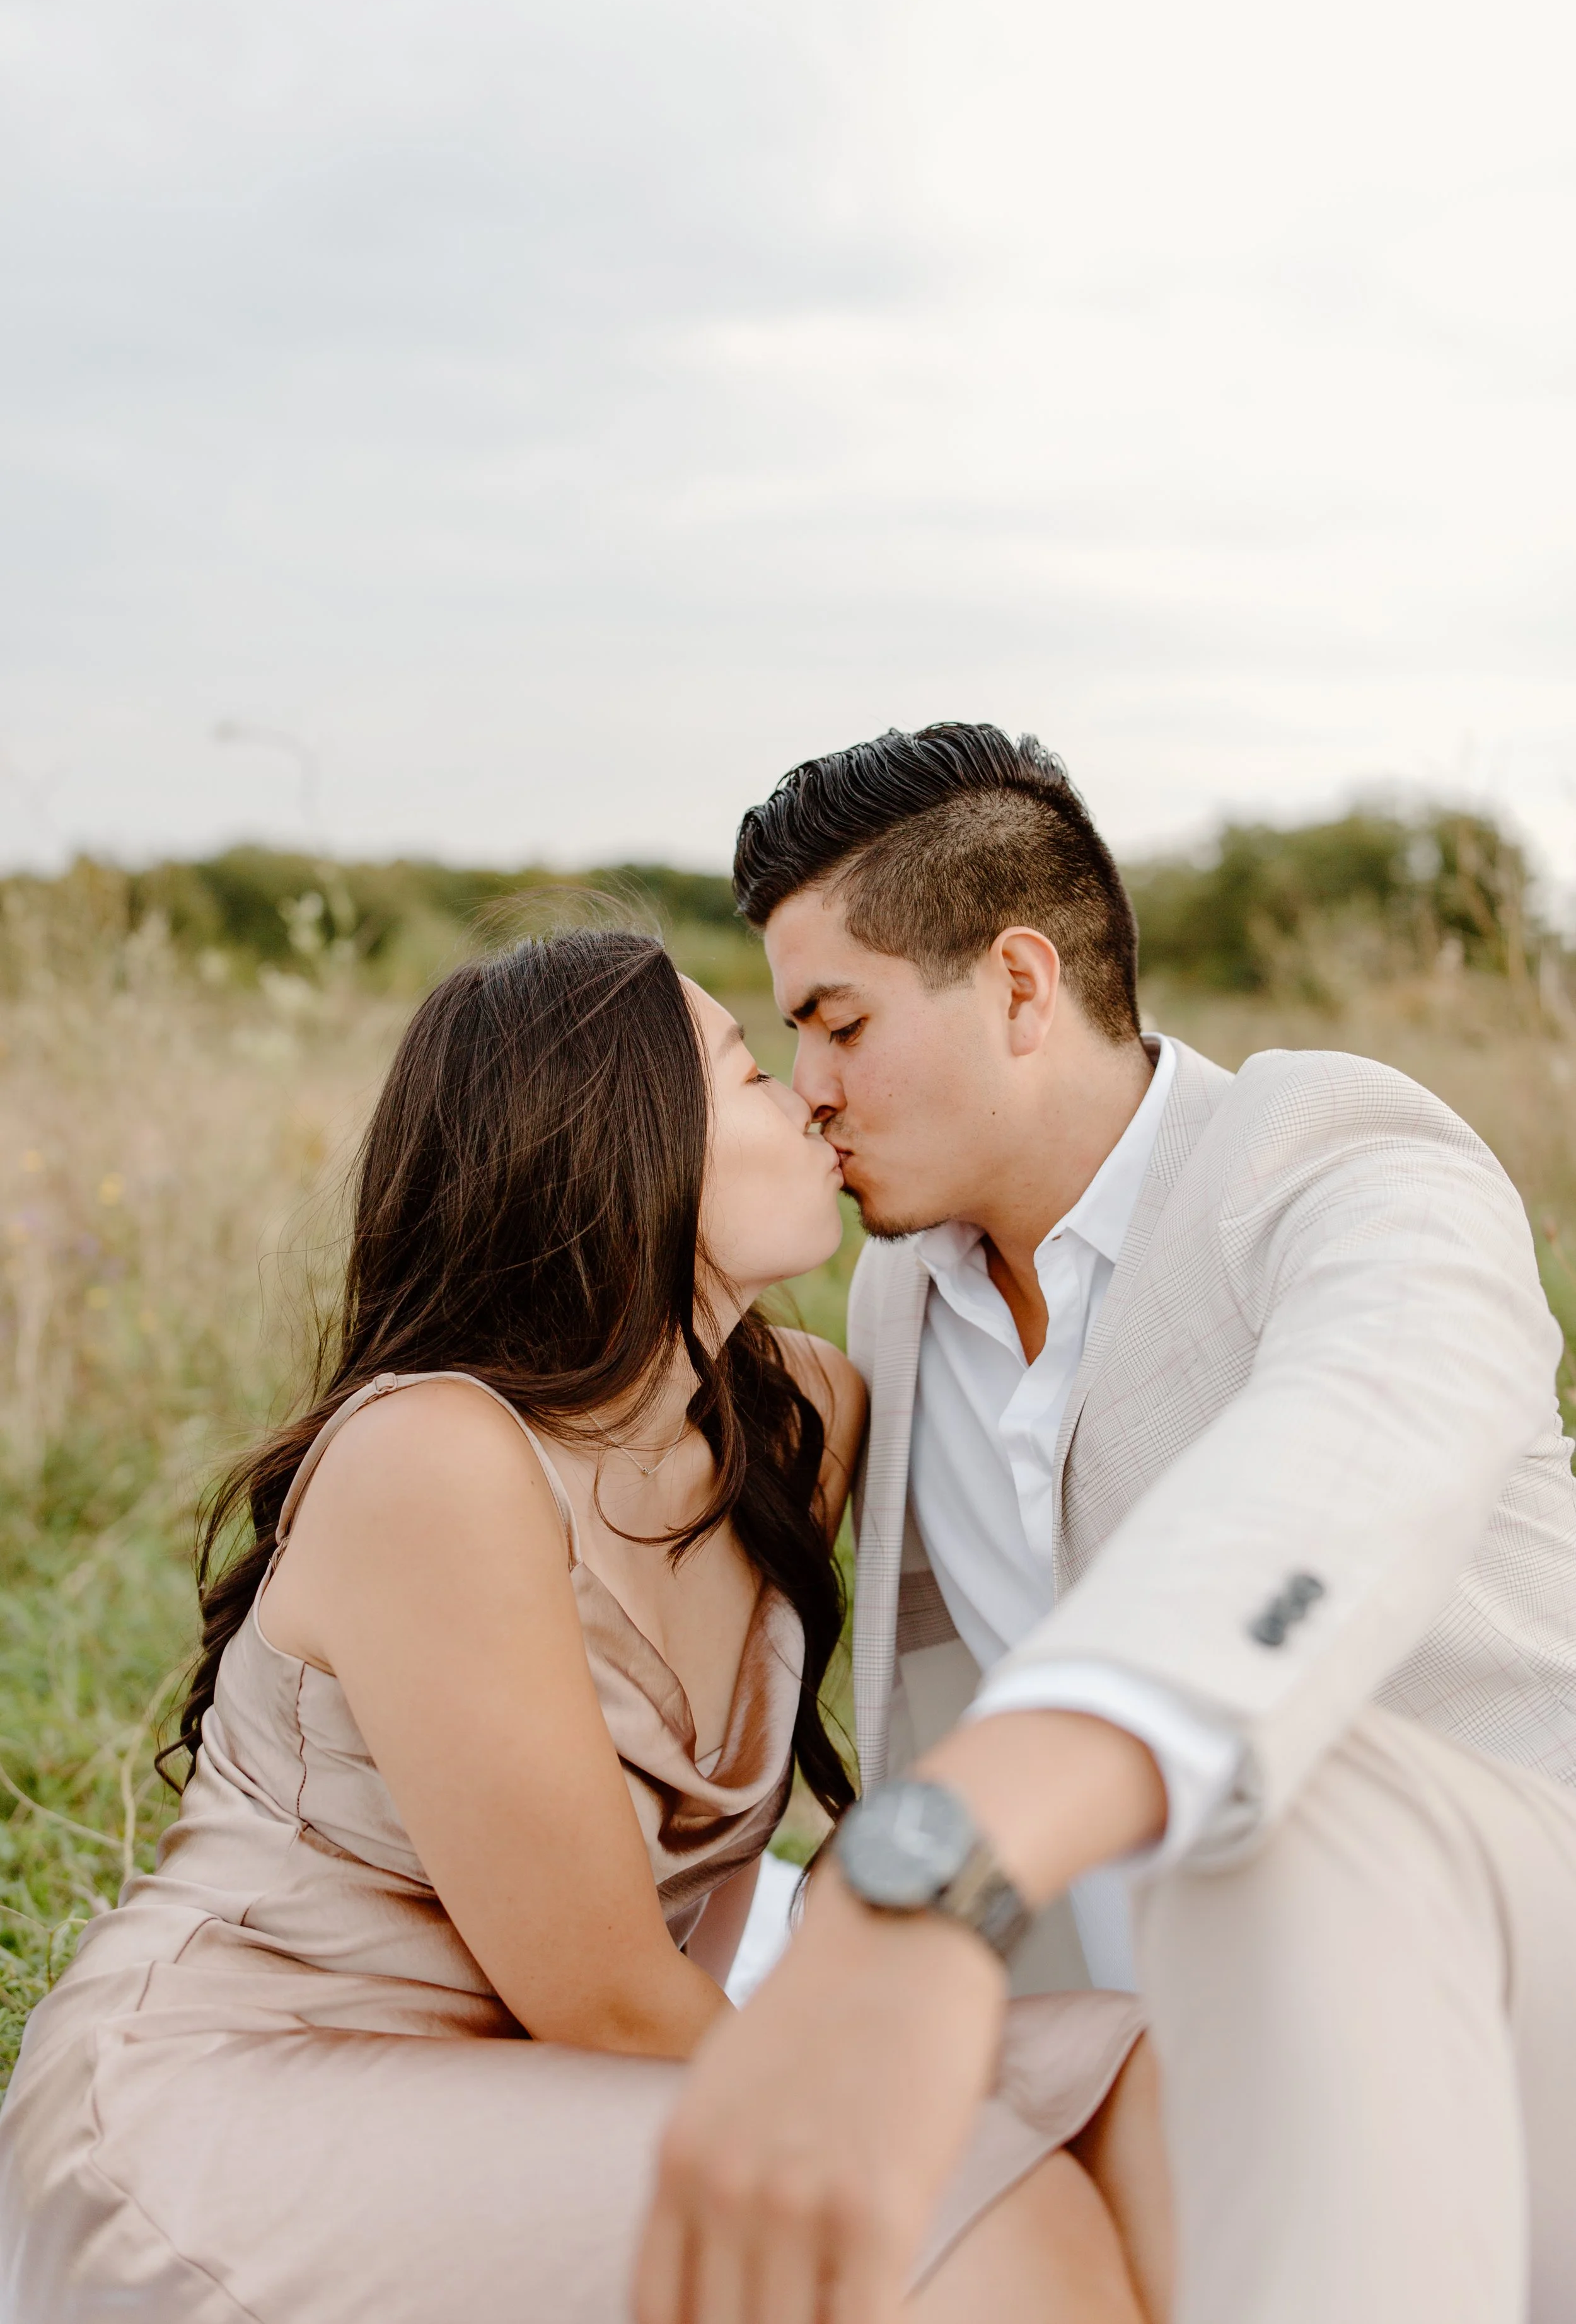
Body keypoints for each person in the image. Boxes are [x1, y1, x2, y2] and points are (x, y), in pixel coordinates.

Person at [0, 922, 1162, 2324]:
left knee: (1150, 2080)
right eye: (747, 1071)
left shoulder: (798, 1423)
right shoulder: (437, 1458)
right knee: (966, 2189)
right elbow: (607, 1999)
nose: (808, 1096)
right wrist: (877, 2087)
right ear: (624, 1149)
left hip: (548, 2096)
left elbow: (764, 1889)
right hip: (248, 2093)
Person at [636, 724, 1576, 2324]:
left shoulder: (1326, 1152)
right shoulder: (891, 1299)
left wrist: (940, 1874)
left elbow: (1351, 1449)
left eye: (838, 1022)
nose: (810, 1090)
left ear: (1017, 986)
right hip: (1134, 2065)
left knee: (1288, 1796)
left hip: (1499, 1986)